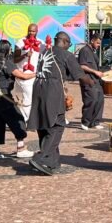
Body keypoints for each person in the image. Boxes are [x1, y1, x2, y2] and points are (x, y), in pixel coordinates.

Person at [26, 32, 86, 175]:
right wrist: (97, 83)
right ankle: (41, 158)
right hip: (52, 93)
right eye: (69, 44)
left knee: (44, 125)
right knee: (57, 125)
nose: (69, 47)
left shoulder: (45, 51)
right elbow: (80, 75)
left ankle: (52, 162)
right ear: (64, 42)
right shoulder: (66, 55)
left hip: (38, 89)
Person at [0, 41, 33, 160]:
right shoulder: (6, 62)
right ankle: (21, 148)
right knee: (17, 119)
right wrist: (38, 74)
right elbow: (22, 76)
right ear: (6, 49)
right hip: (2, 96)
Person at [77, 33, 106, 130]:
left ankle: (95, 122)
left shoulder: (93, 51)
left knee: (100, 100)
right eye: (97, 43)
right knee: (91, 100)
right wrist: (95, 72)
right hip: (88, 80)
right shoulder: (84, 51)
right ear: (92, 40)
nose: (99, 45)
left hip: (96, 81)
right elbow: (82, 66)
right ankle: (85, 122)